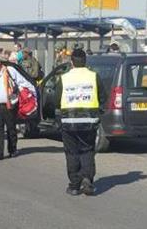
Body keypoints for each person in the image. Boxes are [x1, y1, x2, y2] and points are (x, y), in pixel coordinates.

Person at [56, 49, 105, 196]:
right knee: (87, 150)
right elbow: (103, 97)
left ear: (72, 62)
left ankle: (74, 185)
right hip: (89, 121)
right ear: (85, 61)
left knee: (72, 153)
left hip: (68, 121)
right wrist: (98, 113)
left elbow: (56, 99)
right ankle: (87, 180)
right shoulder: (94, 76)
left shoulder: (64, 78)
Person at [0, 55, 36, 160]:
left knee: (11, 128)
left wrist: (31, 93)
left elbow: (23, 82)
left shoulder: (9, 71)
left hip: (10, 105)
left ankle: (12, 149)